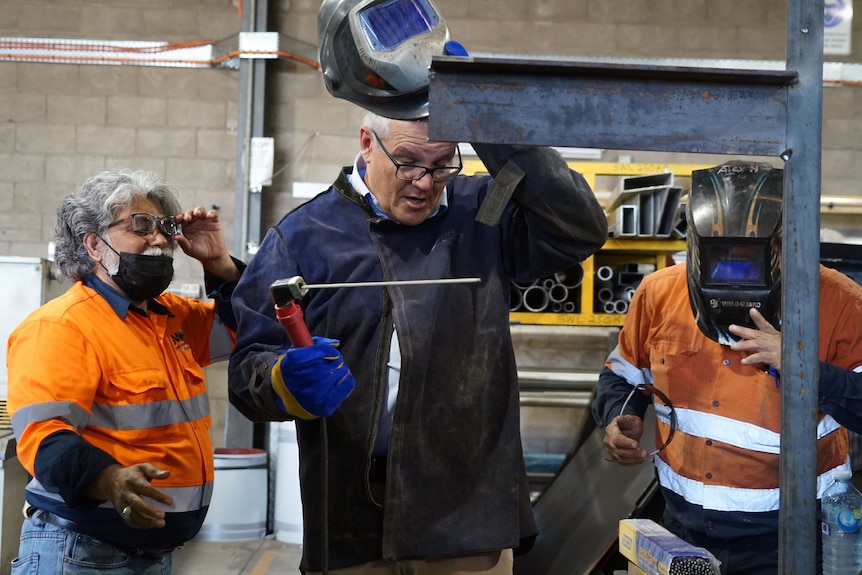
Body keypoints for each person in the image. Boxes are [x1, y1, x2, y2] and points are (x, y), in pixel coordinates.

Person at [227, 109, 608, 574]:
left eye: (443, 164)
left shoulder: (482, 213)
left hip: (466, 511)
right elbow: (249, 366)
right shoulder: (302, 236)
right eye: (407, 162)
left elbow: (580, 229)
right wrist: (282, 379)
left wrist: (497, 126)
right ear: (367, 143)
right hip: (351, 516)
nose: (425, 184)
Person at [592, 160, 862, 575]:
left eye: (748, 259)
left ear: (784, 242)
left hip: (788, 540)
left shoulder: (840, 302)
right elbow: (624, 375)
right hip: (682, 533)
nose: (733, 275)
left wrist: (800, 365)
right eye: (720, 258)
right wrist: (620, 415)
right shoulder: (659, 293)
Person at [7, 169, 244, 574]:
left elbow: (250, 330)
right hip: (80, 552)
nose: (158, 240)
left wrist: (220, 265)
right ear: (95, 245)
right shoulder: (62, 326)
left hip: (151, 555)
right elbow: (44, 440)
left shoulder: (169, 317)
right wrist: (110, 480)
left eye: (164, 228)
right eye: (141, 226)